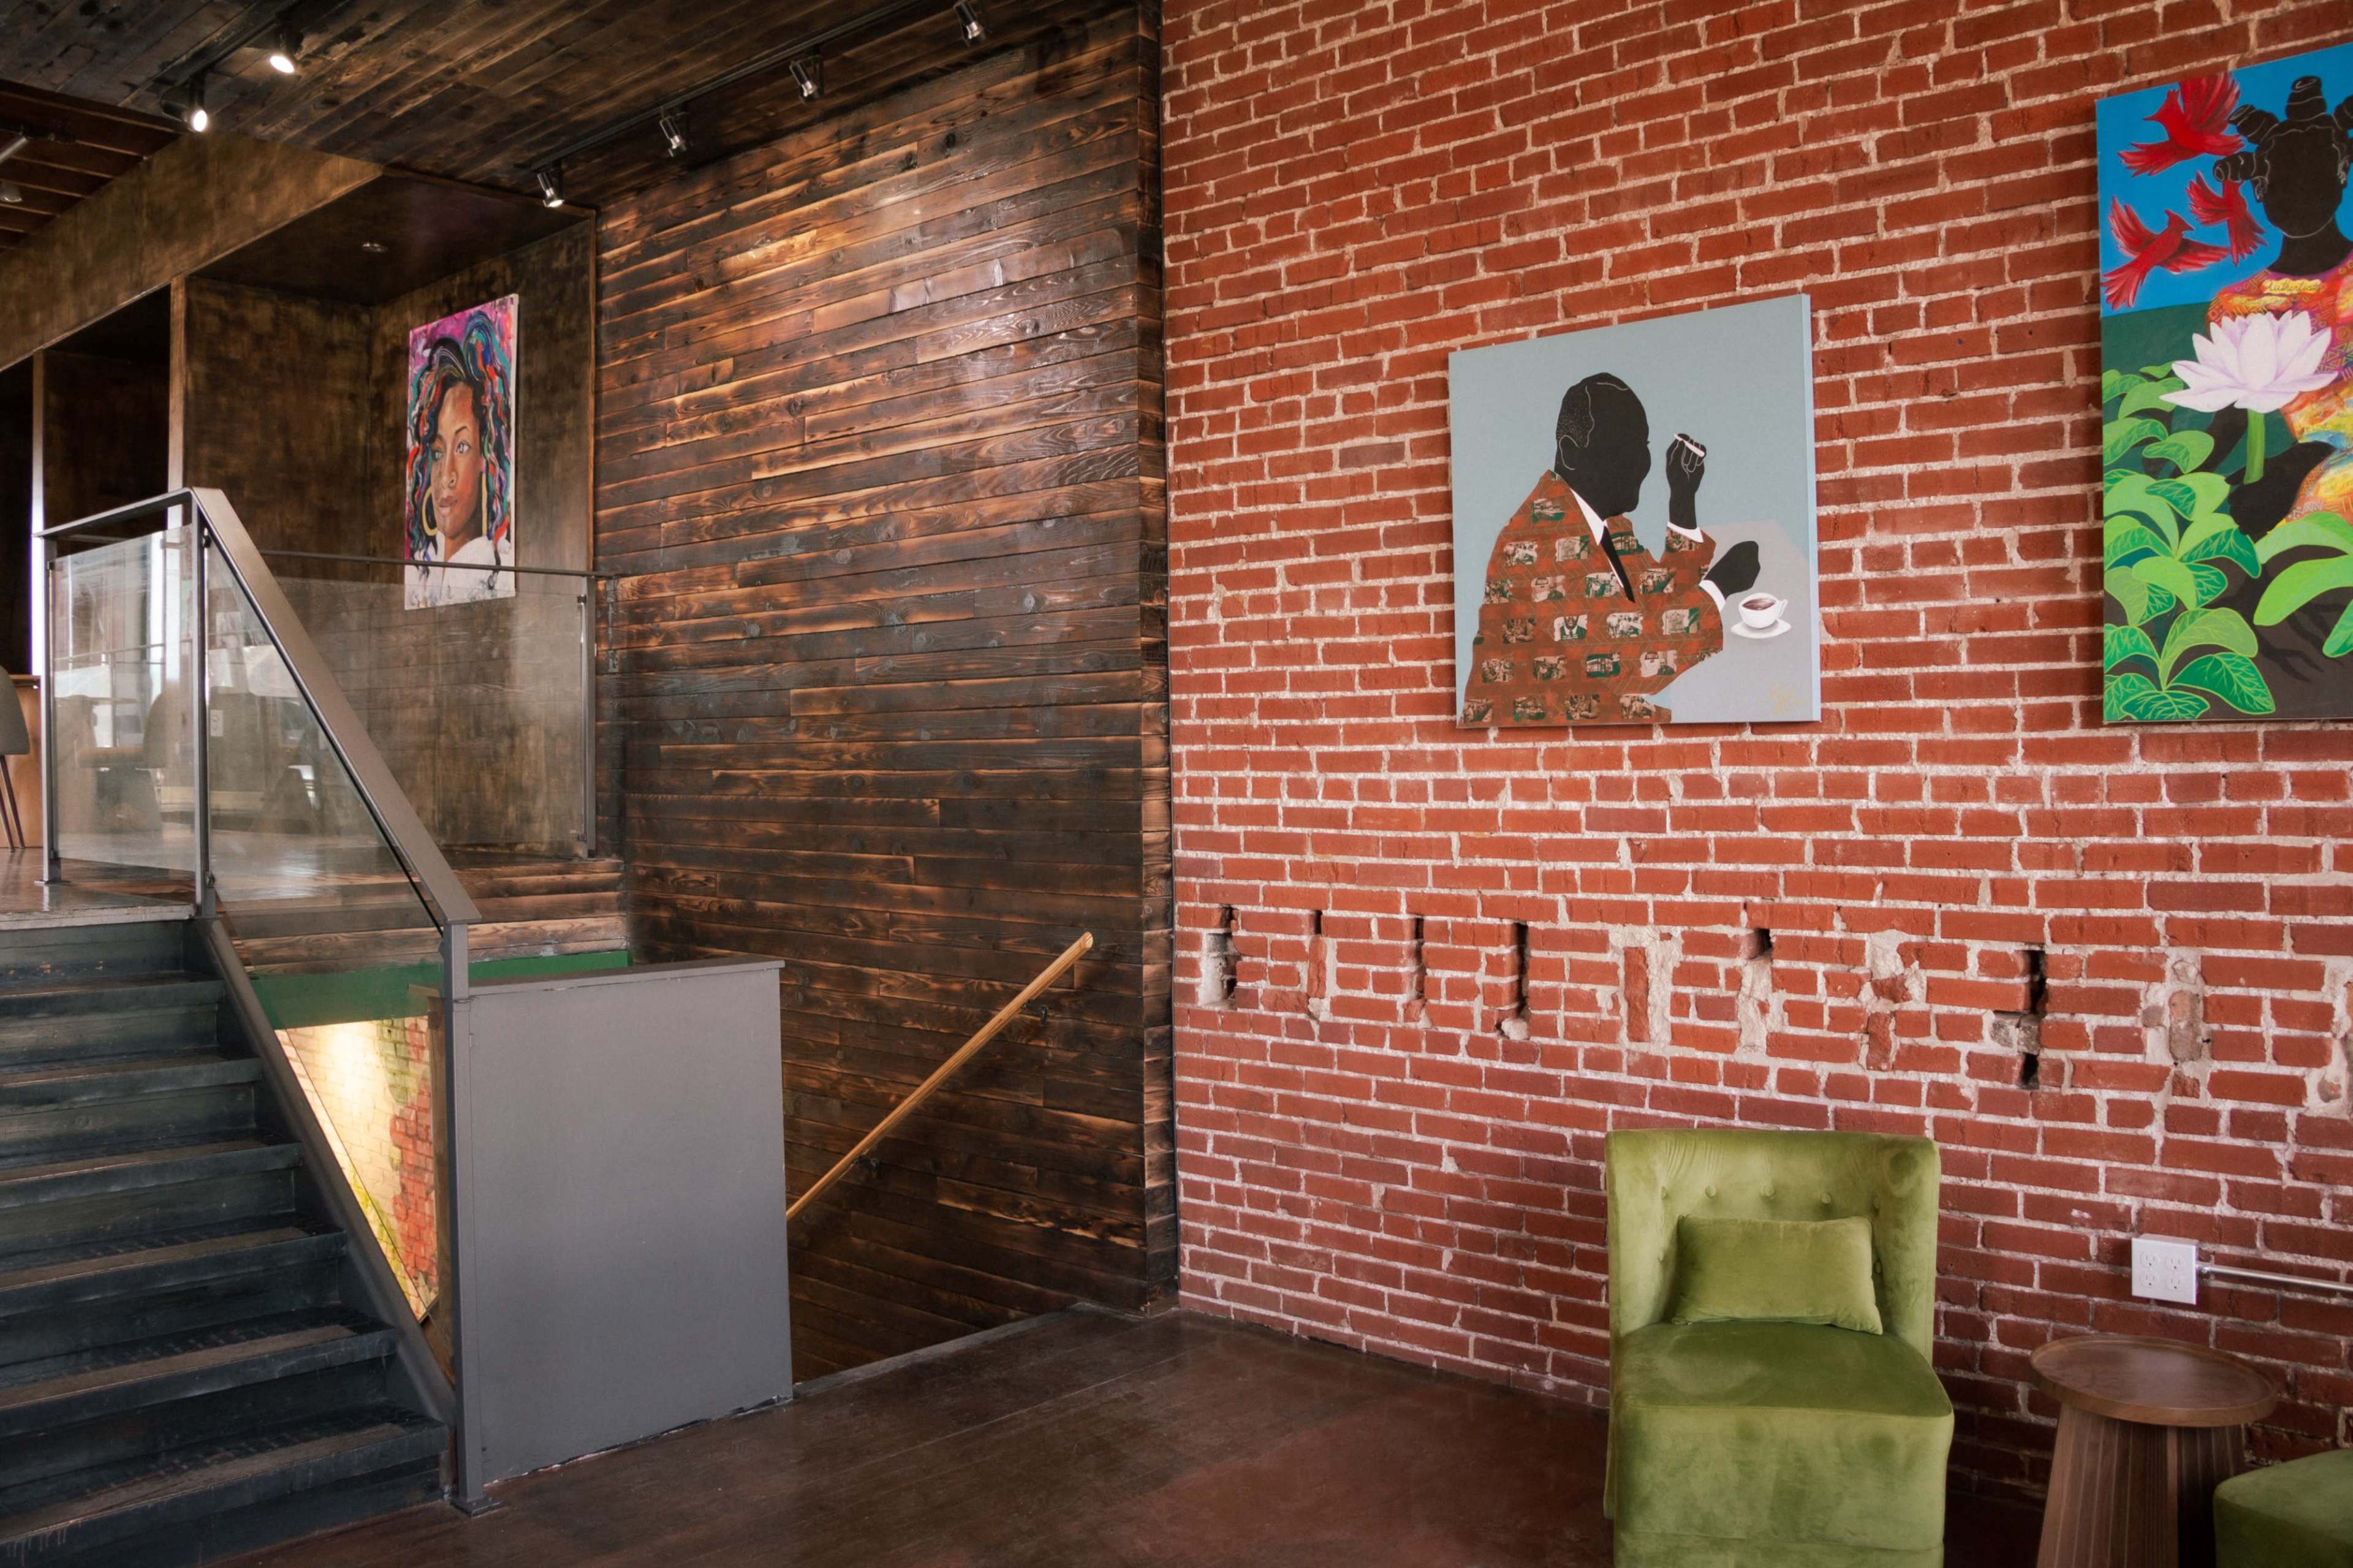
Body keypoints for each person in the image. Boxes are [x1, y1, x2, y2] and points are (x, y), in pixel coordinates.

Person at [1461, 373, 1760, 726]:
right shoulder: (1534, 542)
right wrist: (1719, 585)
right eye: (1622, 447)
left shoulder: (1610, 525)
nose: (1641, 463)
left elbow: (1659, 604)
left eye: (1642, 445)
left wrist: (1682, 502)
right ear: (1571, 451)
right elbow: (1632, 662)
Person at [2199, 74, 2353, 537]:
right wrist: (2185, 482)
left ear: (2341, 174)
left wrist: (2298, 461)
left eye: (2311, 171)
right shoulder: (2239, 304)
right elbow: (2230, 419)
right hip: (2306, 474)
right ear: (2259, 189)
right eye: (2280, 176)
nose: (2296, 189)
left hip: (2319, 470)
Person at [404, 319, 515, 608]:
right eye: (439, 452)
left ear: (486, 459)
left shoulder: (490, 573)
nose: (446, 476)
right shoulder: (421, 573)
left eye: (462, 446)